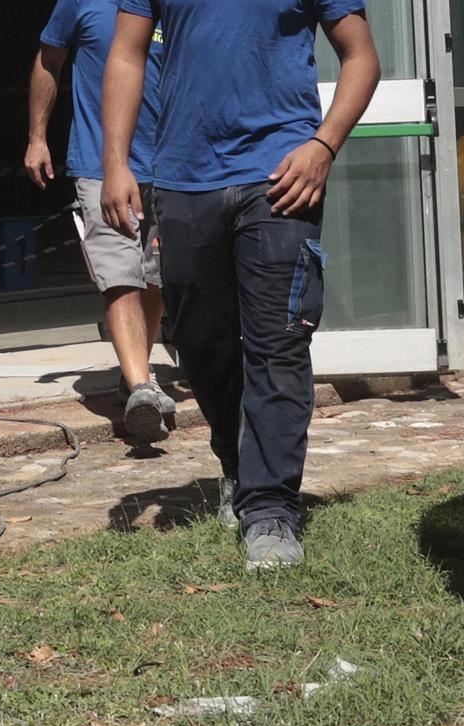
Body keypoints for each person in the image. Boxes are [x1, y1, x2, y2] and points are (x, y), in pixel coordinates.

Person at [100, 0, 380, 569]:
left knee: (279, 342)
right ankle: (236, 463)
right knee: (203, 343)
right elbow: (127, 55)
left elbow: (361, 57)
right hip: (183, 179)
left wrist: (323, 146)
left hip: (279, 177)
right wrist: (115, 163)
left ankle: (272, 507)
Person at [24, 0, 172, 443]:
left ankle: (135, 377)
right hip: (101, 164)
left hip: (171, 164)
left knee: (157, 278)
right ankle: (143, 388)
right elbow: (48, 61)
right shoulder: (82, 3)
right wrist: (37, 137)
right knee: (119, 274)